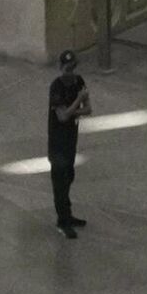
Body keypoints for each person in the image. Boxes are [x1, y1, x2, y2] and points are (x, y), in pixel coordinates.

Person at [48, 46, 91, 237]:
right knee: (60, 180)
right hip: (57, 141)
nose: (70, 73)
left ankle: (68, 214)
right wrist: (78, 101)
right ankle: (62, 220)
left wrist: (71, 110)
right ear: (61, 68)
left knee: (69, 175)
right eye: (67, 69)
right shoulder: (56, 87)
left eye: (72, 68)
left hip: (71, 138)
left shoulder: (79, 81)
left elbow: (88, 109)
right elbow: (62, 116)